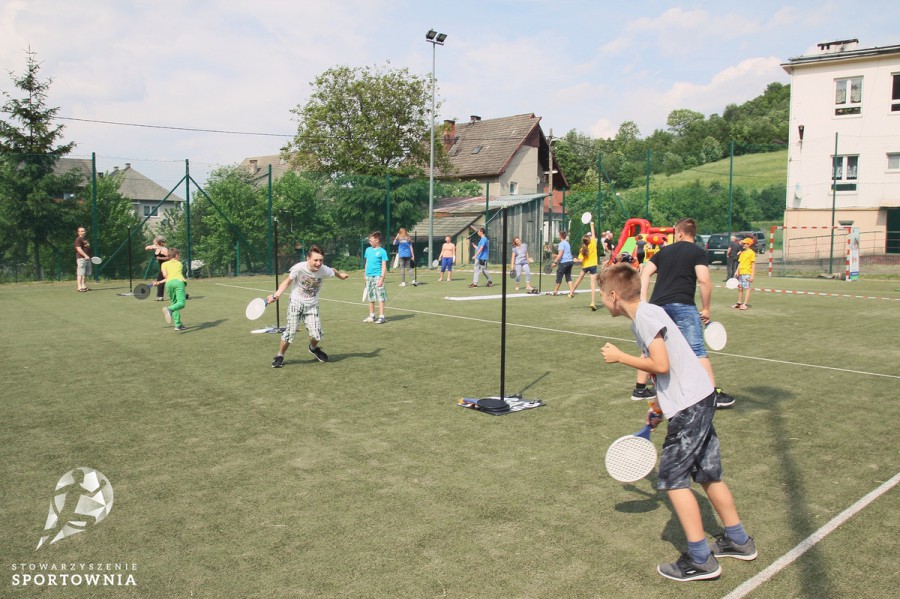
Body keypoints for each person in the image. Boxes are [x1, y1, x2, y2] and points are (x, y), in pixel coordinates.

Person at [598, 263, 756, 582]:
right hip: (699, 398)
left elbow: (661, 363)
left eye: (602, 294)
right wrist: (659, 404)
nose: (601, 300)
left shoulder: (644, 317)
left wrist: (620, 357)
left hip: (689, 406)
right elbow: (672, 364)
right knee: (708, 474)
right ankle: (738, 540)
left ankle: (701, 560)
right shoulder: (649, 313)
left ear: (613, 295)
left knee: (672, 480)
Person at [633, 218, 735, 408]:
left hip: (657, 307)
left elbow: (645, 273)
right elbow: (704, 280)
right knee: (697, 350)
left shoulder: (664, 251)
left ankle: (639, 389)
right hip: (683, 306)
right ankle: (711, 395)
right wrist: (706, 308)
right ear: (691, 234)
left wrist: (644, 301)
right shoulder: (697, 252)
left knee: (651, 348)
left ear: (679, 233)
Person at [269, 245, 349, 367]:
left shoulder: (324, 270)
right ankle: (280, 355)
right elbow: (287, 281)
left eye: (321, 260)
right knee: (290, 332)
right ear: (308, 259)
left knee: (317, 334)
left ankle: (313, 348)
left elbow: (332, 270)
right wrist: (277, 294)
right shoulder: (298, 268)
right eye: (315, 260)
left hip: (312, 305)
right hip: (296, 302)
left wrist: (341, 276)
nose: (318, 263)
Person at [154, 247, 187, 331]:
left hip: (169, 284)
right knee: (181, 303)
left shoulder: (164, 264)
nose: (179, 257)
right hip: (178, 282)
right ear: (176, 255)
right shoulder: (179, 263)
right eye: (179, 255)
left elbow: (166, 276)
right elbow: (174, 276)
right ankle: (169, 309)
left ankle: (178, 325)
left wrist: (159, 282)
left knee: (174, 303)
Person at [570, 221, 599, 310]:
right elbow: (593, 234)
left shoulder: (583, 248)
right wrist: (592, 224)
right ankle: (593, 302)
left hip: (585, 266)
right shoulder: (593, 242)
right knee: (593, 284)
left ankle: (571, 292)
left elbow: (581, 260)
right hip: (593, 265)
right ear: (589, 239)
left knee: (579, 279)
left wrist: (575, 260)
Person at [363, 231, 389, 324]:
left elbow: (384, 266)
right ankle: (372, 316)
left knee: (381, 296)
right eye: (369, 240)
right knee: (371, 297)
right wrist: (365, 275)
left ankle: (382, 317)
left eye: (371, 240)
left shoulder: (382, 252)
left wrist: (381, 278)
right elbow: (366, 263)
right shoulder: (368, 250)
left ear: (377, 240)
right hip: (369, 276)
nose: (369, 242)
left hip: (378, 276)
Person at [550, 230, 575, 296]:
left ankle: (555, 291)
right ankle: (571, 291)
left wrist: (555, 262)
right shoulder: (567, 243)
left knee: (559, 276)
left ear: (561, 236)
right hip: (570, 262)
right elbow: (564, 254)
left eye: (559, 235)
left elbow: (561, 254)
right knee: (568, 277)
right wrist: (556, 255)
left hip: (564, 262)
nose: (558, 236)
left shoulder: (561, 244)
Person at [734, 237, 756, 310]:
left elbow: (753, 264)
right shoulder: (742, 253)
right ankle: (739, 303)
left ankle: (745, 304)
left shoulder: (751, 253)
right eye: (743, 243)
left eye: (744, 243)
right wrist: (737, 271)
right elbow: (740, 263)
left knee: (747, 288)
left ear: (748, 244)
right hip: (740, 273)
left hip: (747, 273)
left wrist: (752, 275)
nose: (743, 244)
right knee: (740, 288)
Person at [145, 236, 169, 300]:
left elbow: (169, 257)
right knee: (165, 280)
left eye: (155, 240)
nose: (153, 240)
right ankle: (160, 296)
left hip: (167, 266)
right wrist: (151, 247)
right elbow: (146, 248)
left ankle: (160, 296)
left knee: (161, 279)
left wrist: (160, 258)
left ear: (158, 242)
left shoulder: (164, 249)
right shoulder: (155, 247)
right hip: (162, 267)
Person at [74, 227, 92, 292]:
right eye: (81, 231)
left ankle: (83, 286)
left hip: (87, 258)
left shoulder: (85, 240)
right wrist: (85, 255)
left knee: (85, 273)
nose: (83, 232)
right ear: (78, 232)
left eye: (84, 231)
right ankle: (79, 287)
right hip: (81, 258)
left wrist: (88, 256)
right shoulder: (78, 239)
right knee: (80, 273)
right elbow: (79, 249)